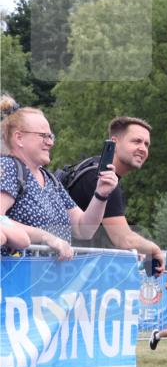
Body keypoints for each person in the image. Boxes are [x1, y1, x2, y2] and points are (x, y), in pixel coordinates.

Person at [0, 94, 117, 258]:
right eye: (43, 136)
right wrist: (47, 237)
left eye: (51, 136)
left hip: (50, 279)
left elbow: (84, 230)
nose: (51, 142)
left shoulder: (50, 180)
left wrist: (101, 194)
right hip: (18, 277)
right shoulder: (7, 167)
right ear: (19, 137)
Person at [64, 116, 164, 273]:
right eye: (136, 141)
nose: (143, 148)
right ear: (114, 142)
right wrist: (155, 249)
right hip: (72, 275)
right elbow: (123, 239)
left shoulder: (93, 168)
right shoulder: (101, 179)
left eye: (146, 144)